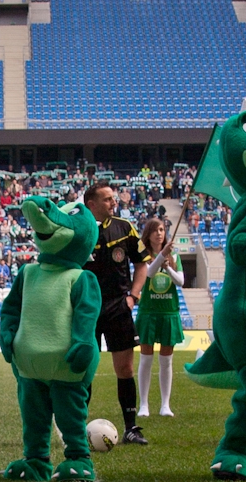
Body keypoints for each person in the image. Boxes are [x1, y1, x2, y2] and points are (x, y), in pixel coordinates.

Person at [83, 181, 149, 444]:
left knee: (124, 368)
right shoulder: (80, 231)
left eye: (113, 198)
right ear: (92, 205)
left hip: (118, 307)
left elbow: (141, 264)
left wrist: (133, 296)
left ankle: (131, 428)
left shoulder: (124, 228)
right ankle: (77, 426)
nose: (114, 202)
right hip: (87, 309)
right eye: (108, 199)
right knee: (84, 369)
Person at [135, 219, 184, 418]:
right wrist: (161, 257)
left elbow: (180, 282)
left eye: (162, 229)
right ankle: (144, 404)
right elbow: (148, 273)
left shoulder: (175, 256)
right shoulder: (143, 254)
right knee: (146, 359)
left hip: (168, 312)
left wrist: (169, 266)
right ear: (148, 234)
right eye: (155, 230)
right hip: (148, 311)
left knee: (166, 360)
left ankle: (165, 404)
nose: (159, 233)